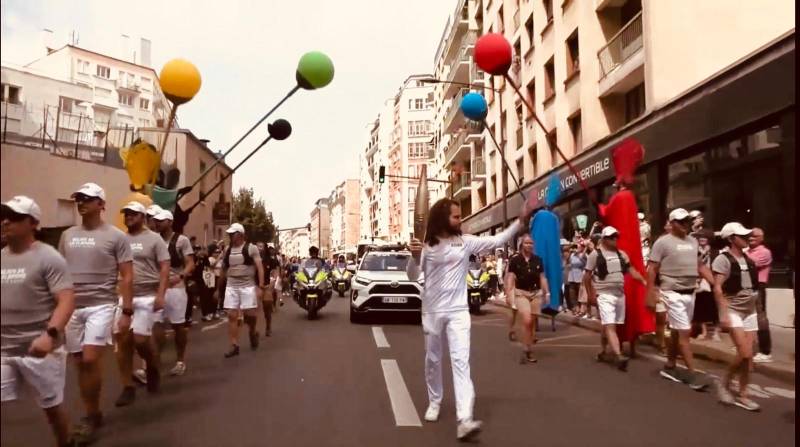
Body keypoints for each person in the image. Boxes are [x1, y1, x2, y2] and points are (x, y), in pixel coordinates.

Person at [407, 197, 534, 441]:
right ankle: (435, 401)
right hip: (432, 311)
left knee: (460, 361)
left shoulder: (465, 243)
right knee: (433, 359)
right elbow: (413, 275)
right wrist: (413, 257)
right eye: (456, 216)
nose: (460, 220)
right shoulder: (428, 246)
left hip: (457, 311)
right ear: (444, 219)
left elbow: (496, 240)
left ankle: (464, 418)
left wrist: (519, 222)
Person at [59, 183, 133, 444]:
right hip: (73, 308)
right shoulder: (67, 236)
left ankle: (90, 416)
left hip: (101, 306)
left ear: (102, 204)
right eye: (79, 198)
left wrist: (126, 310)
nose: (82, 203)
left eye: (88, 199)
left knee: (90, 359)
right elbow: (60, 273)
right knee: (80, 363)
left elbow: (127, 275)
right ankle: (93, 411)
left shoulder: (116, 236)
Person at [2, 196, 76, 447]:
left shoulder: (49, 257)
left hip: (41, 349)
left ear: (32, 223)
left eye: (13, 218)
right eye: (4, 216)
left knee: (51, 409)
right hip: (4, 349)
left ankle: (66, 443)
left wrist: (50, 335)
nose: (5, 222)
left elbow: (66, 300)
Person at [646, 208, 715, 391]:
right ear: (672, 223)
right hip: (672, 292)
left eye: (687, 221)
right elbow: (652, 269)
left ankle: (669, 365)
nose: (685, 224)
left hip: (690, 292)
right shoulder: (662, 243)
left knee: (677, 331)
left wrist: (715, 284)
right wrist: (650, 293)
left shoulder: (693, 242)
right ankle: (693, 373)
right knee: (685, 332)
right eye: (681, 221)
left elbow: (700, 265)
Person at [112, 202, 169, 407]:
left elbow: (164, 268)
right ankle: (127, 386)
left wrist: (161, 294)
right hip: (126, 295)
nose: (128, 217)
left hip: (147, 295)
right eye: (126, 213)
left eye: (133, 214)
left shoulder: (155, 239)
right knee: (122, 339)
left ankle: (152, 366)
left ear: (142, 217)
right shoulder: (120, 239)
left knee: (141, 340)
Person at [583, 226, 647, 371]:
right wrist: (590, 294)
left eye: (616, 236)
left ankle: (604, 351)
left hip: (619, 294)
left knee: (610, 325)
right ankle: (619, 355)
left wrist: (644, 282)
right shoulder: (595, 255)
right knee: (610, 325)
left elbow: (632, 271)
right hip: (604, 295)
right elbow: (586, 276)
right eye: (611, 237)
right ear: (604, 239)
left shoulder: (622, 255)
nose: (614, 239)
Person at [713, 223, 761, 411]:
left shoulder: (748, 259)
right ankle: (724, 383)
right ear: (731, 239)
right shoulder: (722, 260)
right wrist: (723, 314)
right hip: (733, 309)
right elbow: (717, 288)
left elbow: (752, 287)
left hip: (750, 311)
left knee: (749, 358)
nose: (746, 237)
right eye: (742, 235)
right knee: (744, 352)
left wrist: (759, 310)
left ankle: (743, 394)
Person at [153, 210, 194, 376]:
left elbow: (190, 263)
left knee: (178, 327)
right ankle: (154, 360)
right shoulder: (153, 240)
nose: (157, 223)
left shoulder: (181, 240)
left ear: (170, 222)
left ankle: (180, 361)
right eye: (156, 221)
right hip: (157, 289)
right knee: (155, 326)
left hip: (176, 289)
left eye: (161, 221)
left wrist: (181, 276)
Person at [221, 223, 266, 358]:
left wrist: (261, 286)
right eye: (229, 234)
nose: (230, 236)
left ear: (240, 234)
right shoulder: (227, 250)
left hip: (247, 286)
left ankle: (252, 331)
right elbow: (224, 269)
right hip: (231, 286)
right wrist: (219, 290)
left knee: (249, 316)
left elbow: (260, 267)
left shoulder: (251, 249)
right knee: (232, 315)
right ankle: (234, 345)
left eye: (232, 234)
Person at [505, 233, 548, 364]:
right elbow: (511, 277)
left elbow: (542, 277)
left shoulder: (538, 259)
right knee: (527, 320)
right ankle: (526, 348)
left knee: (532, 323)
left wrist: (547, 292)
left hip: (536, 293)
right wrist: (508, 293)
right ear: (521, 245)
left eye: (531, 243)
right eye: (526, 243)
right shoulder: (515, 260)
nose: (529, 245)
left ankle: (528, 348)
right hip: (521, 293)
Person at [746, 227, 773, 363]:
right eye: (749, 236)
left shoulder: (765, 252)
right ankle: (748, 346)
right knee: (748, 317)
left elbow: (749, 265)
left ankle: (765, 351)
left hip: (759, 286)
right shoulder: (747, 251)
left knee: (761, 318)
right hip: (748, 286)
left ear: (761, 238)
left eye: (754, 236)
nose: (751, 238)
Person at [691, 229, 720, 341]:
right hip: (699, 282)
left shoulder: (715, 252)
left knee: (715, 307)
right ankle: (703, 331)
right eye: (700, 237)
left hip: (713, 281)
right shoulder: (695, 251)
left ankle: (716, 332)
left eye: (705, 237)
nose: (702, 239)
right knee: (701, 306)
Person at [566, 243, 586, 315]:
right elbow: (567, 261)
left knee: (580, 294)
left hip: (579, 276)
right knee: (572, 293)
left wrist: (579, 255)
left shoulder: (583, 255)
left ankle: (581, 309)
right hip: (572, 276)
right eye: (576, 247)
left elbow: (585, 264)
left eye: (578, 247)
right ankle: (575, 307)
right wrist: (571, 246)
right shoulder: (572, 254)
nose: (576, 248)